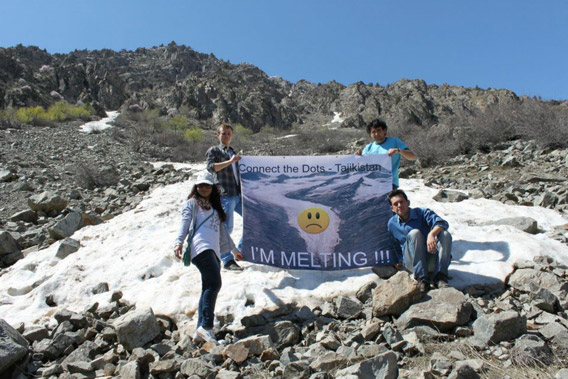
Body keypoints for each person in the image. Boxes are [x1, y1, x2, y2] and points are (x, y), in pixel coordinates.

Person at [174, 172, 243, 344]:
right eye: (200, 186)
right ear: (196, 188)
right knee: (214, 284)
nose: (204, 188)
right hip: (201, 248)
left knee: (207, 286)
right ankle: (207, 326)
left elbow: (223, 234)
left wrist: (234, 251)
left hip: (213, 251)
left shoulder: (214, 209)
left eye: (207, 185)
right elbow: (185, 222)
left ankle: (200, 330)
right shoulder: (192, 204)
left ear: (212, 189)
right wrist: (178, 242)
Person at [387, 189, 452, 292]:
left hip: (431, 258)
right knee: (415, 233)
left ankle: (440, 277)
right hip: (412, 263)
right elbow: (394, 246)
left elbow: (442, 223)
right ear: (392, 208)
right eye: (396, 204)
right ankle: (422, 279)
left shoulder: (422, 213)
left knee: (445, 234)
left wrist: (431, 234)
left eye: (401, 202)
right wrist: (397, 261)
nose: (399, 205)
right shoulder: (392, 224)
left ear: (408, 202)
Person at [206, 123, 243, 271]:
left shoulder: (233, 151)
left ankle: (239, 250)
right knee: (226, 227)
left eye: (229, 133)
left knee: (253, 220)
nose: (226, 136)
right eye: (223, 133)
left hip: (238, 194)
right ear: (218, 135)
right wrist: (230, 162)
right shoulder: (214, 150)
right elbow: (211, 167)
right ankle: (227, 260)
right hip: (225, 195)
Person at [357, 118, 416, 189]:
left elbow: (412, 156)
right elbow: (362, 167)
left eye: (378, 130)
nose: (376, 134)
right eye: (373, 132)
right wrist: (357, 158)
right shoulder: (368, 147)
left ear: (384, 130)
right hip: (372, 184)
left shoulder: (395, 141)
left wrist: (398, 150)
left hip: (390, 183)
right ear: (370, 134)